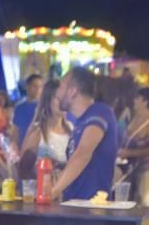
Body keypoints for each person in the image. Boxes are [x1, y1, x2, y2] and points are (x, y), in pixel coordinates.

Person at [52, 67, 118, 201]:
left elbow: (83, 153)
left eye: (61, 86)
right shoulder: (80, 121)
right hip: (75, 205)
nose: (57, 93)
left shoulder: (100, 111)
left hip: (91, 208)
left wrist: (52, 192)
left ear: (72, 91)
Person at [19, 79, 72, 178]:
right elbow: (23, 168)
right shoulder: (38, 131)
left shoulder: (71, 129)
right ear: (48, 100)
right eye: (59, 98)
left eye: (66, 97)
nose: (64, 102)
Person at [118, 88, 149, 205]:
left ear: (146, 101)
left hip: (145, 171)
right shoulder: (134, 118)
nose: (134, 101)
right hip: (129, 170)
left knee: (144, 203)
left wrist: (128, 153)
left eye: (138, 98)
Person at [13, 74, 43, 148]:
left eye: (40, 86)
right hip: (22, 147)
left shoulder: (44, 107)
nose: (38, 89)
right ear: (27, 87)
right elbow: (16, 131)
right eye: (35, 86)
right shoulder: (19, 108)